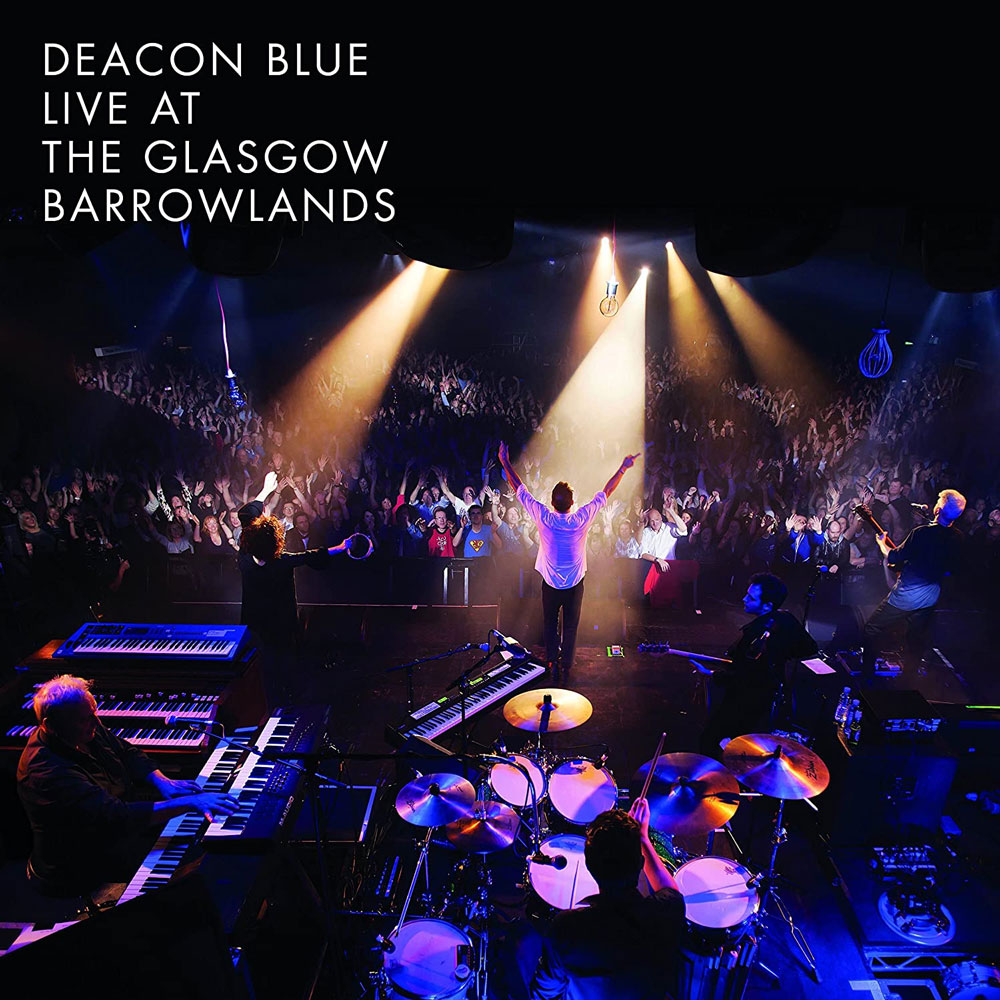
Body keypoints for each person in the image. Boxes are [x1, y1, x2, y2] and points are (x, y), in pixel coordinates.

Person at [17, 675, 238, 895]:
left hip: (114, 826)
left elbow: (127, 752)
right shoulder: (46, 772)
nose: (96, 722)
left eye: (94, 712)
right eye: (85, 719)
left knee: (198, 832)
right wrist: (191, 802)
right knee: (191, 859)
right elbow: (117, 816)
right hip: (82, 858)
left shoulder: (80, 727)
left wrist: (164, 782)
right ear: (50, 725)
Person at [498, 442, 639, 676]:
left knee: (550, 624)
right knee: (570, 626)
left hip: (550, 584)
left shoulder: (543, 516)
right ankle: (567, 664)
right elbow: (607, 492)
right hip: (574, 585)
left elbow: (519, 488)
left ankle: (552, 661)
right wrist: (623, 468)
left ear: (552, 503)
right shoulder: (581, 518)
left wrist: (504, 461)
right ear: (573, 503)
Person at [529, 799, 685, 1000]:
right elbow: (670, 890)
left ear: (589, 866)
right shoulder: (665, 913)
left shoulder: (566, 928)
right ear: (640, 863)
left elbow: (543, 994)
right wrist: (643, 838)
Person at [698, 573, 818, 756]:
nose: (744, 599)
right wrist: (782, 653)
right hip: (772, 697)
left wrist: (711, 674)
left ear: (767, 605)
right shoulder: (786, 619)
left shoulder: (754, 634)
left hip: (745, 701)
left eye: (751, 598)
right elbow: (810, 647)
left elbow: (742, 677)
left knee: (712, 740)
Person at [861, 489, 965, 678]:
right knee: (915, 638)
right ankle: (909, 679)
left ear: (938, 510)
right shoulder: (958, 537)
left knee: (871, 629)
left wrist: (882, 543)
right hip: (931, 596)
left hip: (908, 595)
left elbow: (894, 556)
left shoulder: (922, 533)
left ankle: (866, 676)